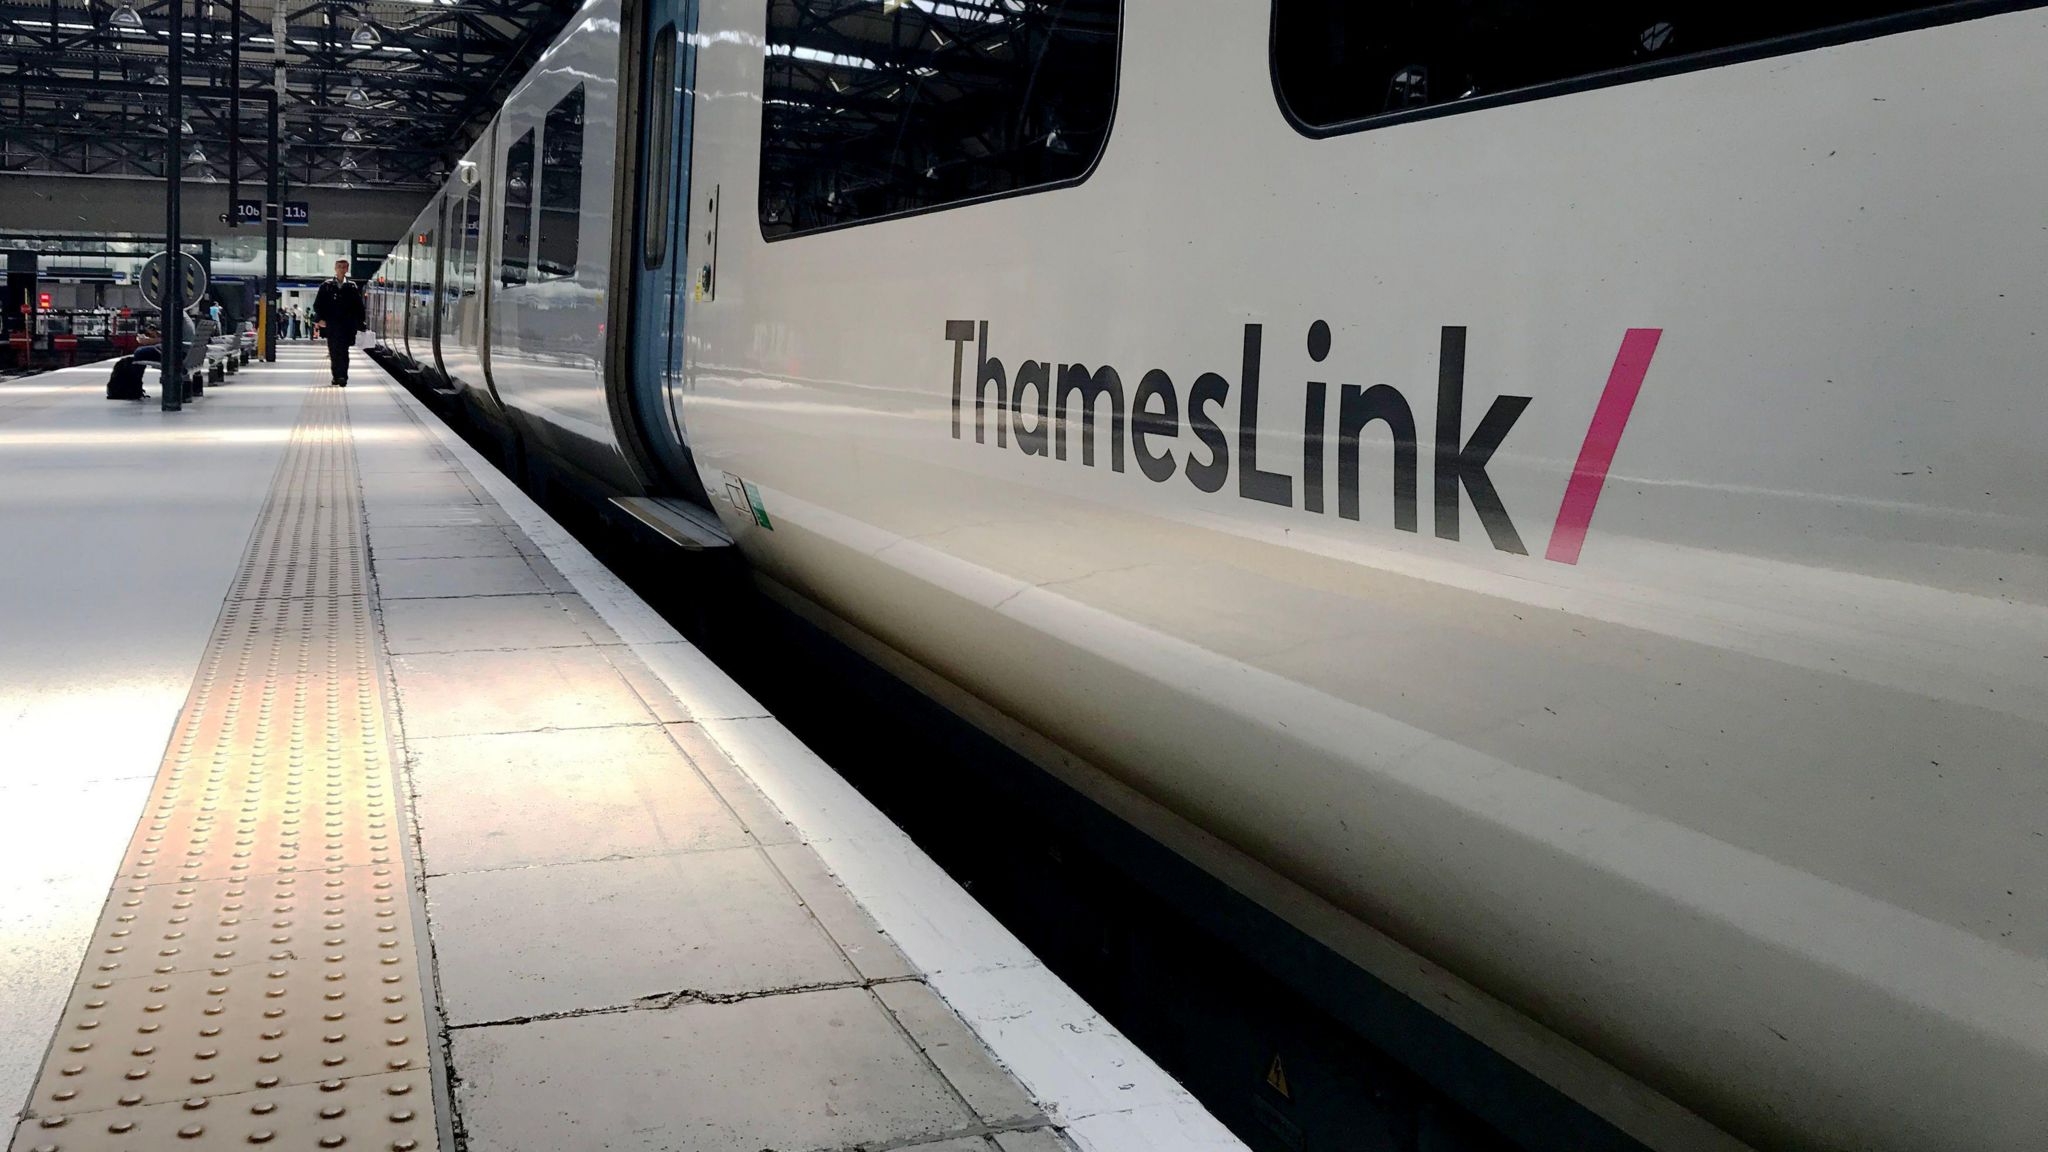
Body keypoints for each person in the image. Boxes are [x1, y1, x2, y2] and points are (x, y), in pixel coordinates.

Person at [312, 260, 366, 386]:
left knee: (344, 351)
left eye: (344, 267)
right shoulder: (326, 285)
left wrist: (360, 322)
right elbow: (318, 304)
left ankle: (343, 376)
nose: (341, 269)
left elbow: (358, 306)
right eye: (339, 267)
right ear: (335, 269)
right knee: (334, 351)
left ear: (347, 269)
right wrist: (319, 319)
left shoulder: (352, 286)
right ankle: (336, 375)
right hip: (331, 324)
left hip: (347, 325)